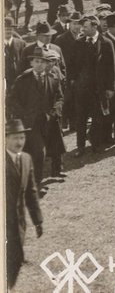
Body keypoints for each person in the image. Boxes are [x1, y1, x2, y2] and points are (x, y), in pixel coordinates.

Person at [6, 119, 45, 289]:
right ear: (5, 138)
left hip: (18, 224)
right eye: (15, 138)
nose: (19, 142)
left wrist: (38, 220)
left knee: (14, 264)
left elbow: (31, 192)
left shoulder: (27, 159)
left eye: (22, 138)